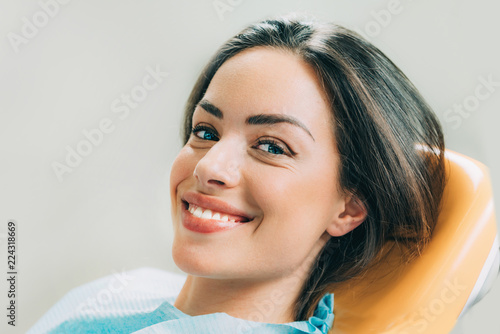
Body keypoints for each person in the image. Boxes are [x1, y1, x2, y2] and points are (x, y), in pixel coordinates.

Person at [29, 14, 445, 333]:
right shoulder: (125, 290)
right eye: (205, 131)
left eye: (270, 147)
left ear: (349, 207)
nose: (209, 166)